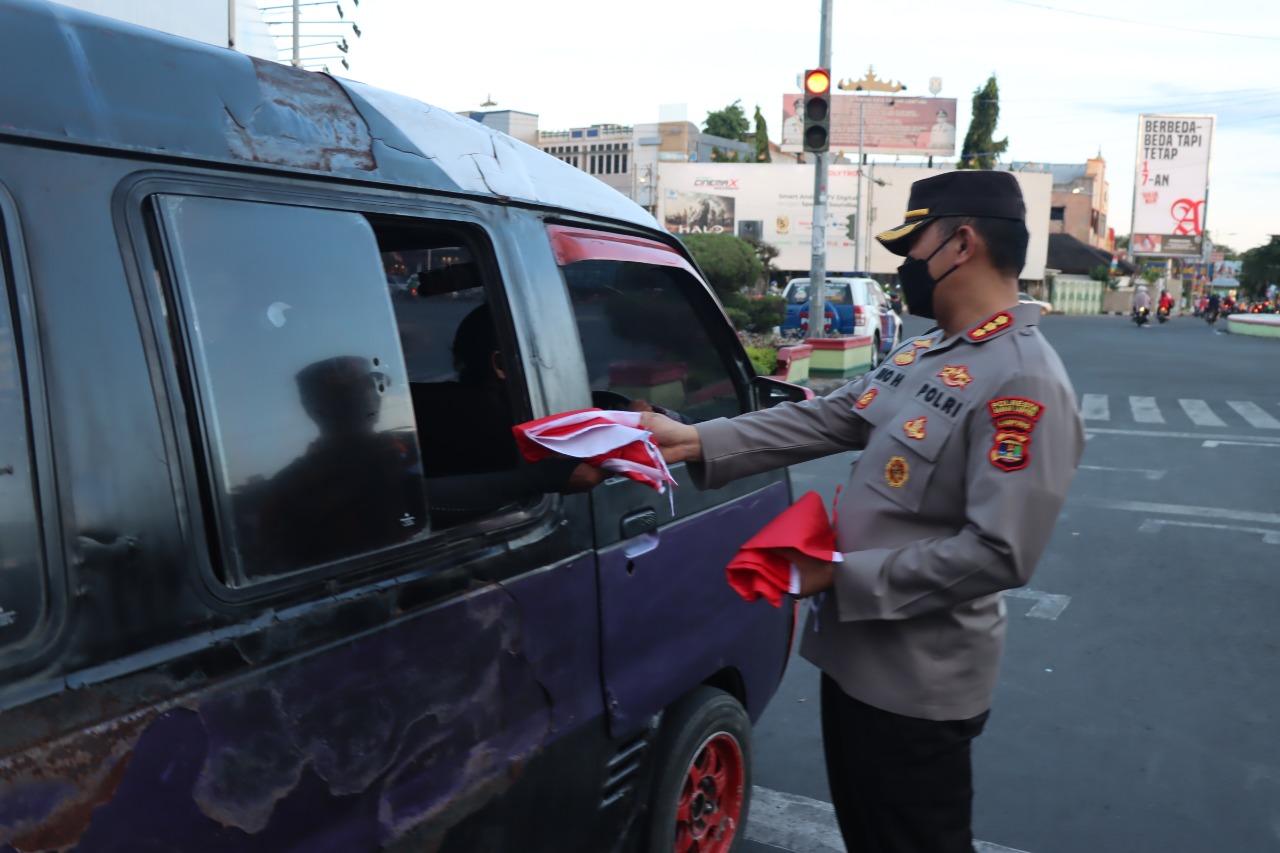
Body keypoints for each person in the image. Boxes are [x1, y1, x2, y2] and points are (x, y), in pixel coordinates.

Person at [641, 170, 1084, 853]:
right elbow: (827, 418)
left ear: (961, 243)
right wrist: (695, 439)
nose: (904, 265)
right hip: (854, 660)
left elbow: (999, 552)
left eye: (914, 244)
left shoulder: (1022, 377)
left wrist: (839, 574)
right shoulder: (925, 352)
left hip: (918, 685)